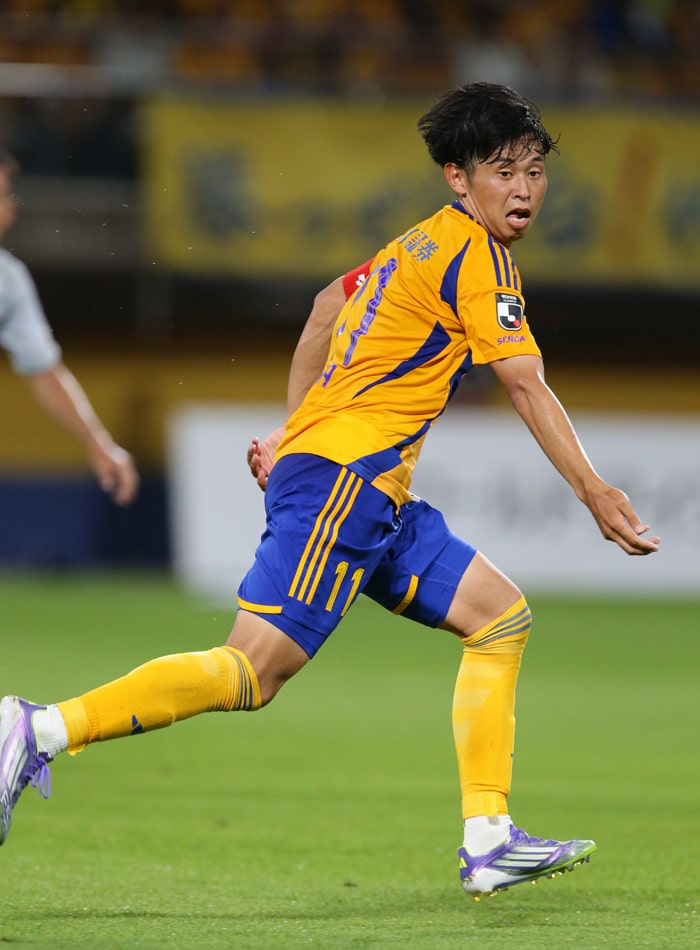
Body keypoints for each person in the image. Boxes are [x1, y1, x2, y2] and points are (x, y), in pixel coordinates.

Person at [0, 83, 659, 899]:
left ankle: (489, 837)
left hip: (362, 487)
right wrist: (593, 490)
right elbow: (525, 383)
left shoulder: (416, 243)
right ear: (458, 178)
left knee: (499, 617)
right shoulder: (478, 260)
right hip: (347, 482)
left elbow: (322, 310)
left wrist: (292, 430)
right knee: (250, 673)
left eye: (534, 171)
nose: (523, 189)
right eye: (503, 171)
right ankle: (38, 728)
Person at [0, 146, 138, 506]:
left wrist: (99, 443)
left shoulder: (8, 283)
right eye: (1, 197)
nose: (9, 208)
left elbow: (45, 371)